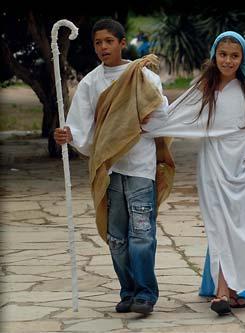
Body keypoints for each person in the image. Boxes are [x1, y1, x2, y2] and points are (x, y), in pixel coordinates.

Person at [143, 31, 245, 315]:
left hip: (244, 167)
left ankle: (233, 290)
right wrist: (143, 122)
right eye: (223, 54)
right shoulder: (205, 87)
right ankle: (223, 291)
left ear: (243, 59)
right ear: (215, 55)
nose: (228, 60)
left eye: (234, 56)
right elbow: (176, 114)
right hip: (213, 164)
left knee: (241, 229)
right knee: (219, 226)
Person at [54, 18, 174, 315]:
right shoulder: (91, 83)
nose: (103, 47)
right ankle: (128, 290)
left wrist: (143, 121)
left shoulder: (144, 77)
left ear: (122, 43)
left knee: (142, 234)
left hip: (141, 168)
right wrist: (67, 135)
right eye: (98, 43)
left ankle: (146, 293)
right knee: (116, 237)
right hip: (110, 170)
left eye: (109, 41)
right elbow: (81, 127)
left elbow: (162, 118)